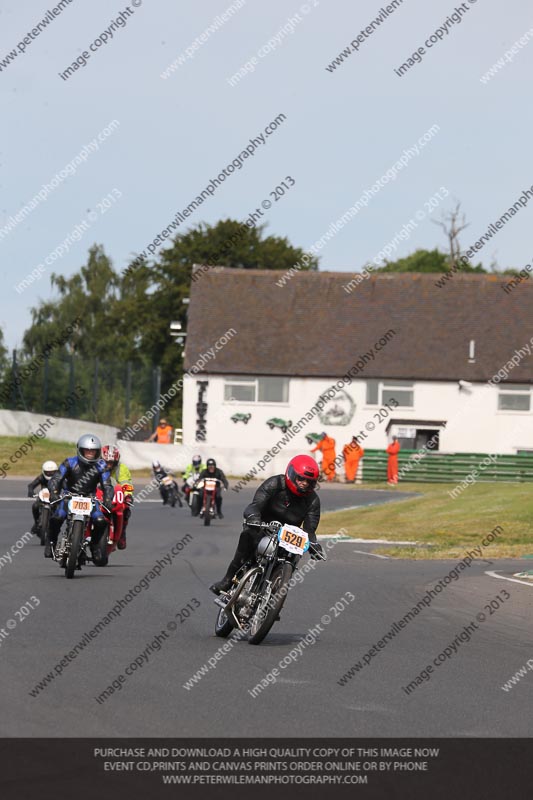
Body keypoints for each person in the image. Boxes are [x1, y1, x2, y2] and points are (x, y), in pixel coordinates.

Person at [210, 454, 323, 595]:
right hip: (263, 527)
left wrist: (314, 545)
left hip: (287, 536)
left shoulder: (313, 501)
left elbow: (309, 530)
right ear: (291, 474)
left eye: (309, 481)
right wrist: (254, 517)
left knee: (295, 554)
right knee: (248, 536)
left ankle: (273, 599)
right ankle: (227, 580)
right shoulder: (275, 483)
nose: (304, 483)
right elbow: (255, 505)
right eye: (301, 478)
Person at [46, 434, 113, 559]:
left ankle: (94, 545)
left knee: (101, 521)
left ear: (97, 452)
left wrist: (108, 498)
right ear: (80, 450)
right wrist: (54, 492)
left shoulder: (101, 466)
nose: (90, 453)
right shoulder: (69, 462)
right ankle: (51, 543)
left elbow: (107, 485)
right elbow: (56, 478)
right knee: (57, 517)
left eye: (93, 451)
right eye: (87, 450)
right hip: (69, 496)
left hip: (90, 498)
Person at [101, 444, 134, 549]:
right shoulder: (95, 466)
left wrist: (128, 495)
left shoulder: (122, 468)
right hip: (98, 493)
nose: (109, 465)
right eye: (107, 462)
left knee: (126, 509)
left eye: (112, 462)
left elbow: (126, 482)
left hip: (115, 494)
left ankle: (122, 533)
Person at [27, 460, 58, 536]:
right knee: (35, 506)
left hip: (55, 497)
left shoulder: (58, 478)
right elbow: (31, 485)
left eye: (52, 472)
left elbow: (65, 486)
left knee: (60, 511)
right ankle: (36, 522)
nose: (50, 474)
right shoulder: (41, 477)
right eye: (48, 472)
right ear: (43, 471)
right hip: (43, 497)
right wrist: (30, 492)